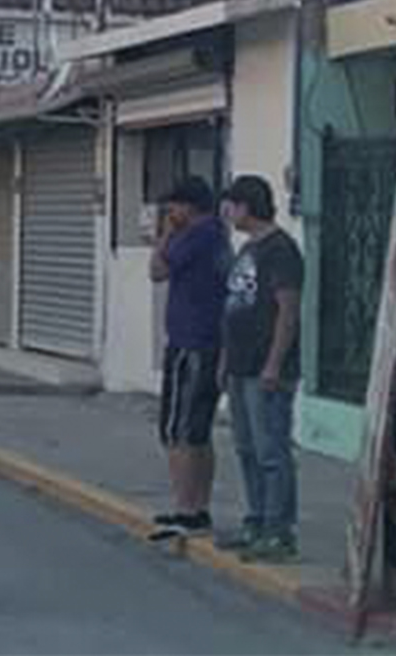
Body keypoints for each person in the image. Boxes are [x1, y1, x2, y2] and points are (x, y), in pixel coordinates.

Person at [217, 174, 304, 564]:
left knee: (272, 449)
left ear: (247, 206)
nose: (227, 212)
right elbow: (233, 307)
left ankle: (279, 530)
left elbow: (287, 311)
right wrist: (225, 362)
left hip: (265, 368)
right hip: (239, 365)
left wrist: (274, 363)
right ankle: (256, 519)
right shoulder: (247, 249)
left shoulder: (280, 250)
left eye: (232, 205)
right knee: (246, 447)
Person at [146, 176, 231, 543]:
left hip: (191, 344)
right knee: (197, 430)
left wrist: (164, 234)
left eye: (174, 206)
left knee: (179, 430)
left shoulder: (197, 236)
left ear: (189, 207)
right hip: (201, 342)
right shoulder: (215, 235)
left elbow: (157, 271)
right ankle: (197, 507)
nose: (169, 212)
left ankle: (186, 508)